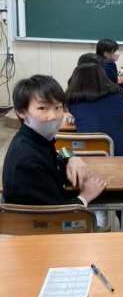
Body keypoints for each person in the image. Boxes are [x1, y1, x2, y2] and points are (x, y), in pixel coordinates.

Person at [2, 75, 106, 207]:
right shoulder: (27, 163)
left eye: (57, 107)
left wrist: (71, 158)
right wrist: (85, 196)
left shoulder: (36, 139)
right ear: (21, 112)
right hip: (43, 218)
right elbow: (55, 213)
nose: (53, 116)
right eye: (42, 108)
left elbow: (57, 152)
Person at [66, 63, 123, 157]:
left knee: (63, 148)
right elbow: (122, 113)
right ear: (102, 76)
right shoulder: (118, 93)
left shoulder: (72, 99)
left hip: (86, 155)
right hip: (119, 153)